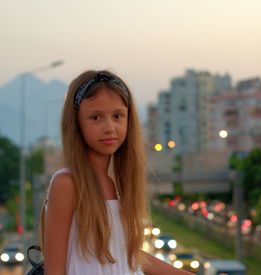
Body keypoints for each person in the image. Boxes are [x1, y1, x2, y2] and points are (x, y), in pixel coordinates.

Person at [40, 70, 193, 275]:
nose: (109, 127)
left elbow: (129, 256)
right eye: (95, 117)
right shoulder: (67, 184)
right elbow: (54, 271)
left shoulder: (119, 184)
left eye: (118, 116)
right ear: (76, 123)